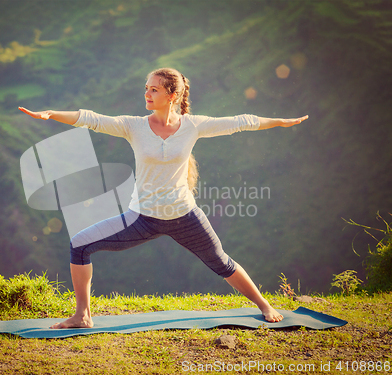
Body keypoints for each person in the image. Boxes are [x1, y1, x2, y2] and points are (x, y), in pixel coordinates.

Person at [19, 67, 308, 329]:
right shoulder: (133, 126)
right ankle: (82, 315)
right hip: (141, 218)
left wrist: (279, 122)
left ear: (172, 95)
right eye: (146, 87)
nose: (146, 93)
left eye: (153, 89)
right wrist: (52, 114)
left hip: (185, 217)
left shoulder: (193, 126)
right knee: (79, 245)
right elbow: (91, 119)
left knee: (222, 262)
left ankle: (265, 305)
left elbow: (241, 122)